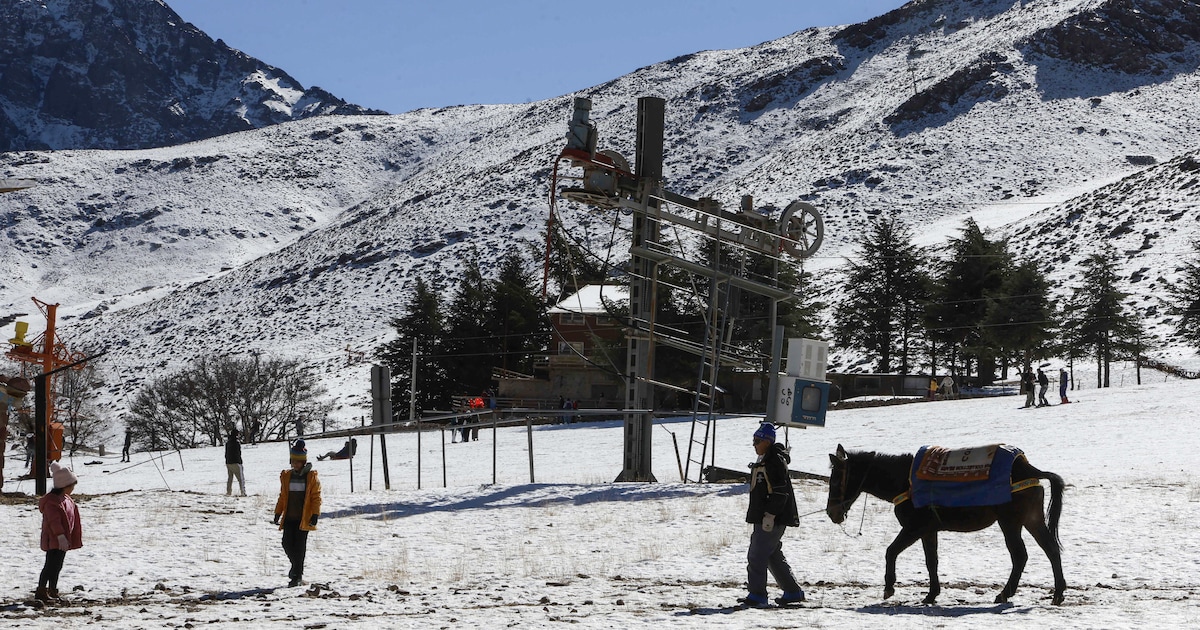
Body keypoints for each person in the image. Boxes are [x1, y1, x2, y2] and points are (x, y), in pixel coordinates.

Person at [740, 423, 804, 608]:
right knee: (771, 555)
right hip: (768, 518)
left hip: (771, 519)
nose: (754, 444)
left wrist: (770, 515)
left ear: (767, 441)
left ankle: (757, 595)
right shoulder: (767, 459)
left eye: (757, 440)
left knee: (757, 555)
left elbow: (779, 492)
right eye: (753, 440)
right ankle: (793, 592)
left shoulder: (773, 461)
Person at [274, 439, 322, 587]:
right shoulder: (287, 476)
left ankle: (297, 576)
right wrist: (278, 512)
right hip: (289, 517)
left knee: (300, 547)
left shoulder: (311, 478)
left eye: (297, 462)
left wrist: (315, 515)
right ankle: (295, 567)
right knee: (286, 544)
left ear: (303, 462)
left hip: (303, 519)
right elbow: (283, 496)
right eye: (293, 461)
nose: (295, 464)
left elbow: (316, 497)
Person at [37, 461, 83, 602]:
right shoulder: (53, 502)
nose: (73, 489)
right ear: (64, 485)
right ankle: (41, 590)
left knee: (57, 566)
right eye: (71, 486)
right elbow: (54, 521)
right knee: (50, 566)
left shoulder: (66, 499)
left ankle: (52, 590)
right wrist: (60, 535)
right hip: (55, 540)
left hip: (62, 541)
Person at [225, 429, 246, 496]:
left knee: (230, 478)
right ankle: (243, 492)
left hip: (228, 462)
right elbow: (238, 453)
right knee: (241, 479)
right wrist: (240, 462)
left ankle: (228, 492)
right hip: (236, 462)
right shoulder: (236, 443)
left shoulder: (228, 442)